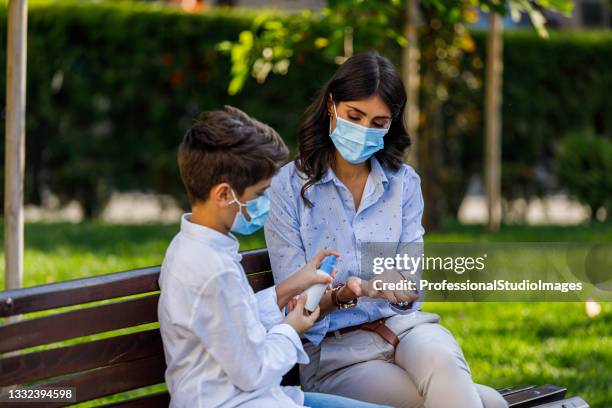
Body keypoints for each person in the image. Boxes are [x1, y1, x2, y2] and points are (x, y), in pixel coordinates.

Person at [264, 53, 508, 408]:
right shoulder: (290, 187)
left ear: (391, 124)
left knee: (446, 366)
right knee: (490, 403)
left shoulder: (403, 184)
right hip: (335, 353)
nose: (364, 130)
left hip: (404, 329)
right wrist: (344, 295)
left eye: (378, 122)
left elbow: (411, 289)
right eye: (354, 116)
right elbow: (294, 305)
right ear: (331, 105)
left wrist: (397, 288)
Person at [157, 105, 391, 408]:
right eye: (259, 194)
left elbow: (232, 317)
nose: (266, 202)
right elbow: (253, 373)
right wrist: (291, 327)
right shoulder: (212, 269)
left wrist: (293, 284)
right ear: (224, 194)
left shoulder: (194, 247)